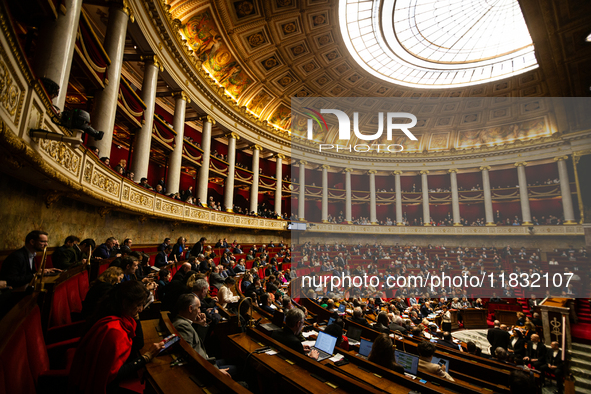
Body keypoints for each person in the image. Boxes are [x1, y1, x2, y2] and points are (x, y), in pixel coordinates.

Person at [68, 281, 165, 393]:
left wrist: (136, 317)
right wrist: (147, 357)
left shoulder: (111, 314)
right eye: (138, 305)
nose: (141, 309)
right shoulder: (115, 330)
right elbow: (114, 373)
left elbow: (137, 344)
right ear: (125, 303)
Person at [171, 294, 235, 378]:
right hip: (205, 368)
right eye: (198, 308)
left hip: (206, 361)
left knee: (234, 360)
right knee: (237, 368)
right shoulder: (182, 326)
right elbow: (191, 357)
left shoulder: (183, 322)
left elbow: (198, 343)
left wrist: (201, 324)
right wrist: (216, 371)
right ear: (190, 308)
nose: (200, 311)